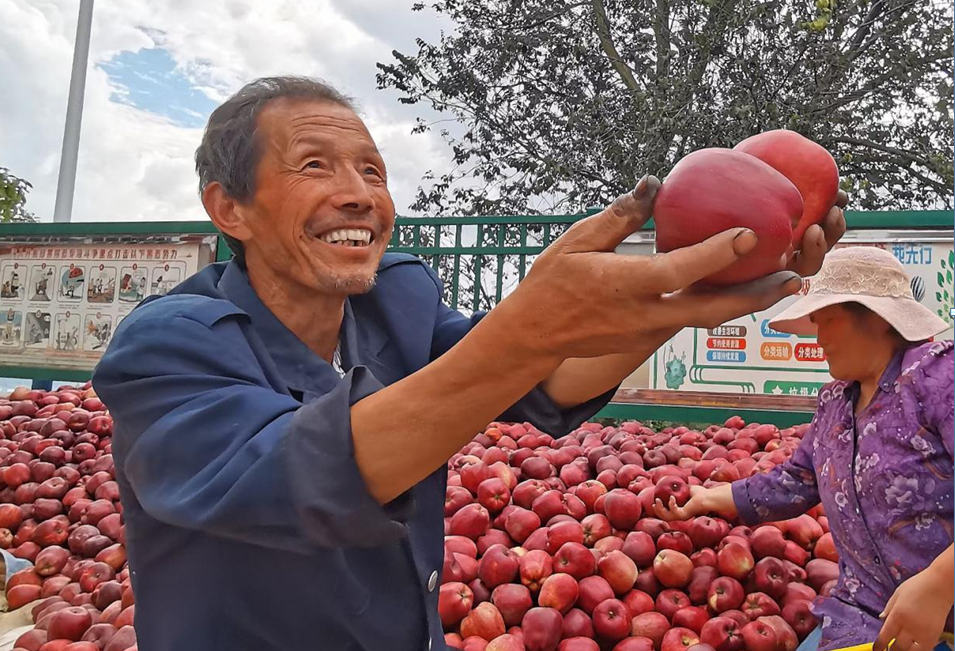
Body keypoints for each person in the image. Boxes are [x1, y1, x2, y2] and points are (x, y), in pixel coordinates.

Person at [91, 75, 846, 651]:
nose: (359, 196)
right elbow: (299, 474)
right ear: (230, 209)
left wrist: (692, 286)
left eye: (373, 171)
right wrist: (523, 330)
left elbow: (541, 380)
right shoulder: (168, 346)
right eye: (315, 165)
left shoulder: (394, 302)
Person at [656, 246, 953, 651]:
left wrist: (941, 583)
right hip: (862, 618)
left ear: (880, 320)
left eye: (828, 320)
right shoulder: (835, 403)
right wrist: (707, 497)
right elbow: (795, 481)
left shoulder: (938, 378)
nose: (819, 337)